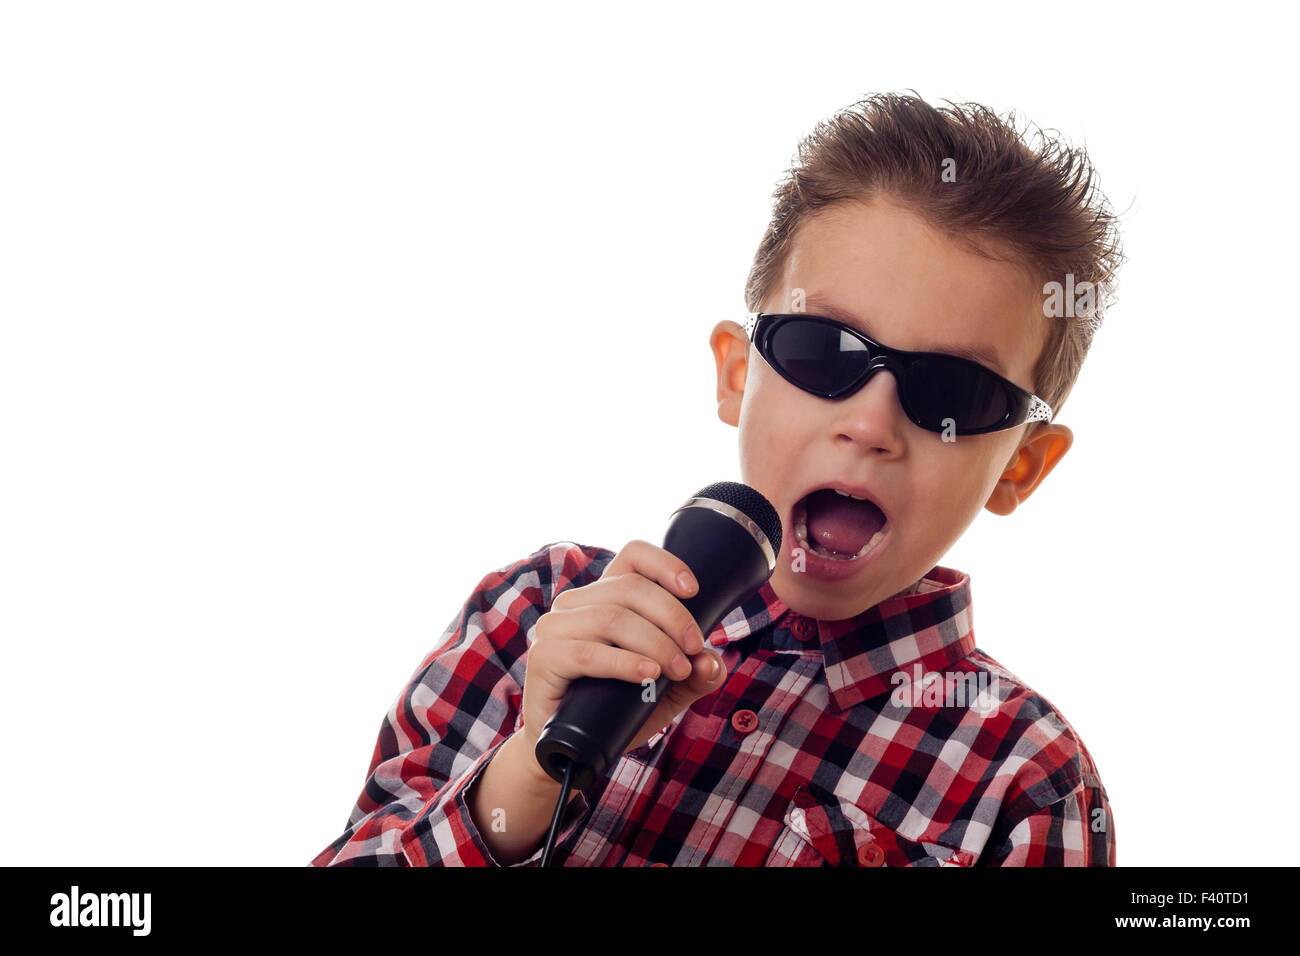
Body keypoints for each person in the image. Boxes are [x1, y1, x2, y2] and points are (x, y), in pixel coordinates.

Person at [311, 91, 1123, 866]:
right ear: (738, 374)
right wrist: (530, 767)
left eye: (953, 394)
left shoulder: (1027, 782)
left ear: (1020, 467)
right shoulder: (534, 611)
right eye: (823, 350)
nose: (870, 426)